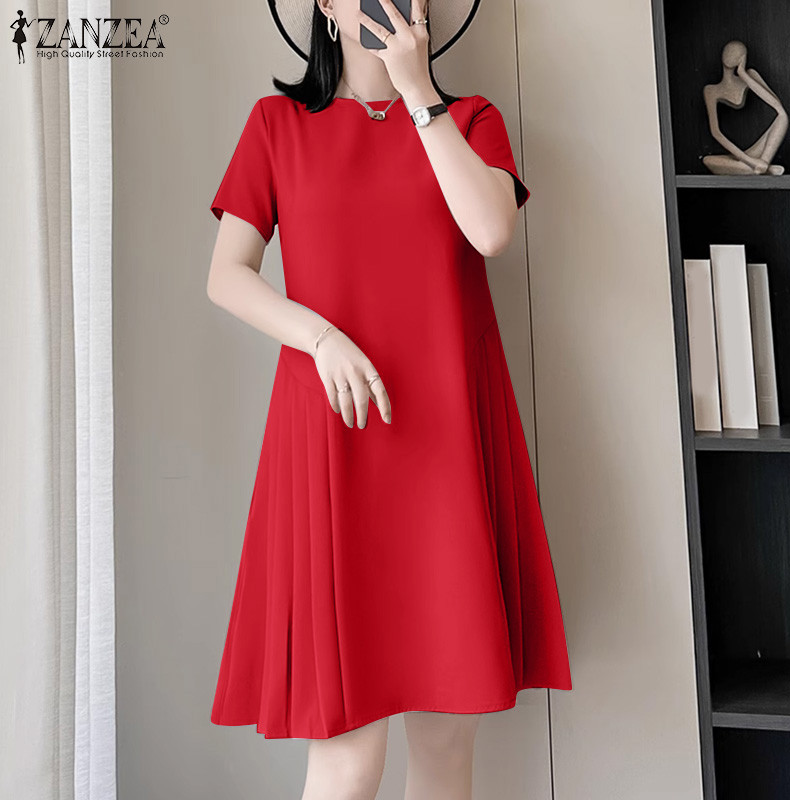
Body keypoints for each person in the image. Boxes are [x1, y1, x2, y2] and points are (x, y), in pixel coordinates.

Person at [206, 0, 573, 797]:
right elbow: (226, 276)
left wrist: (418, 94)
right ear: (326, 6)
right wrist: (319, 338)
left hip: (447, 447)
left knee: (444, 742)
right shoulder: (275, 125)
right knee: (346, 754)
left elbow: (491, 233)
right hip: (335, 440)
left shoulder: (471, 120)